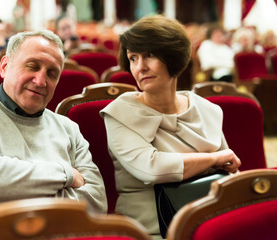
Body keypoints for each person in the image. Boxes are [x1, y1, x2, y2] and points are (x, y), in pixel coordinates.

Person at [0, 30, 107, 240]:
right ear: (5, 66)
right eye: (32, 66)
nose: (41, 80)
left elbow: (97, 204)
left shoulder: (68, 127)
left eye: (52, 73)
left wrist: (13, 189)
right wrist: (66, 175)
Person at [100, 15, 240, 239]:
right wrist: (213, 159)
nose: (140, 67)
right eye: (133, 58)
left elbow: (229, 169)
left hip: (207, 221)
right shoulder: (119, 112)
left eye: (150, 55)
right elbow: (151, 168)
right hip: (148, 228)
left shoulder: (207, 110)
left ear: (174, 56)